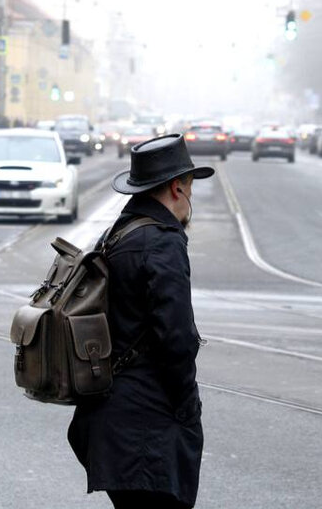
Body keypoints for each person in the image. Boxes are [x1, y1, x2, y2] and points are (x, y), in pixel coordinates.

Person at [68, 133, 212, 509]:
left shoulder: (118, 232)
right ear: (177, 188)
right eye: (191, 191)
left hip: (109, 415)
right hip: (148, 425)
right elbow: (176, 337)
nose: (190, 201)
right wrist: (185, 407)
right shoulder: (163, 241)